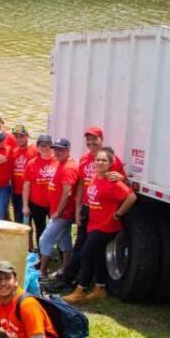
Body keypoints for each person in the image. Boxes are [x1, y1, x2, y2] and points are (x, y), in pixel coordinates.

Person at [52, 126, 127, 289]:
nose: (91, 142)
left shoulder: (111, 159)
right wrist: (78, 208)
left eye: (95, 139)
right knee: (81, 243)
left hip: (102, 211)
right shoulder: (85, 159)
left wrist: (118, 212)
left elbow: (124, 185)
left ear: (101, 140)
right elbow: (80, 184)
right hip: (87, 207)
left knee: (87, 247)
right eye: (88, 139)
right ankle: (75, 277)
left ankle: (75, 278)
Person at [63, 147, 136, 304]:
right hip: (94, 224)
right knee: (97, 256)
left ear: (110, 163)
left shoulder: (113, 181)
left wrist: (118, 214)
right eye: (98, 159)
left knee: (85, 254)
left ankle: (81, 290)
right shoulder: (96, 176)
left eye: (104, 160)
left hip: (106, 226)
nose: (100, 162)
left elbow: (131, 197)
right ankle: (100, 289)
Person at [38, 139, 80, 277]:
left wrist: (58, 212)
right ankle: (66, 269)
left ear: (68, 150)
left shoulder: (68, 167)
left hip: (62, 214)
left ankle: (42, 272)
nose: (57, 152)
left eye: (61, 150)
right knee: (64, 240)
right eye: (56, 149)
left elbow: (67, 192)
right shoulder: (62, 164)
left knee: (45, 240)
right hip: (61, 213)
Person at [22, 134, 56, 250]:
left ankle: (57, 254)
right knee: (40, 229)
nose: (46, 148)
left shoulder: (58, 161)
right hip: (37, 204)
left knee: (56, 230)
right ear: (38, 147)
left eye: (49, 145)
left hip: (55, 205)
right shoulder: (32, 163)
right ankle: (42, 254)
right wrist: (25, 206)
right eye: (43, 145)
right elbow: (26, 186)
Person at [9, 125, 35, 226]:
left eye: (21, 136)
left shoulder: (34, 150)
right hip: (16, 192)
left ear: (27, 136)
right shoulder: (14, 151)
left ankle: (29, 241)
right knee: (19, 221)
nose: (19, 139)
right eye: (16, 137)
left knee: (27, 222)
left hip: (30, 193)